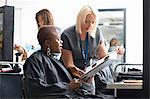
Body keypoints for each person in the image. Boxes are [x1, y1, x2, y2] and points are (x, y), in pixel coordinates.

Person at [61, 5, 124, 95]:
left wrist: (116, 52)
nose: (90, 25)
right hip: (70, 76)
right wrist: (81, 74)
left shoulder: (96, 32)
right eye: (86, 21)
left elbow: (104, 57)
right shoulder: (67, 34)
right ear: (80, 19)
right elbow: (69, 64)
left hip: (88, 76)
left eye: (93, 22)